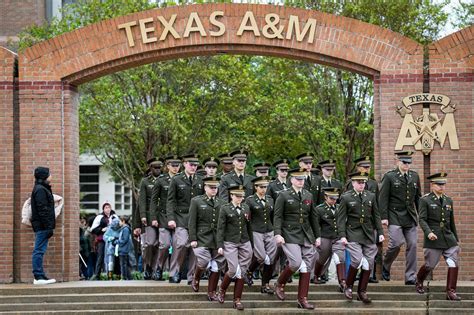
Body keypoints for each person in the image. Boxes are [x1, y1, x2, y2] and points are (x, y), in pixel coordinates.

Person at [273, 168, 318, 310]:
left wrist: (317, 236)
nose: (300, 181)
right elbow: (278, 216)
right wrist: (278, 233)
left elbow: (313, 217)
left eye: (302, 179)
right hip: (289, 234)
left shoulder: (308, 194)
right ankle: (280, 283)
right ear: (291, 180)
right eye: (298, 179)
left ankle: (302, 299)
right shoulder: (284, 195)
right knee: (295, 262)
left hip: (306, 234)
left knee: (307, 267)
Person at [337, 171, 384, 304]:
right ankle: (349, 286)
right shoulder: (346, 197)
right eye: (359, 182)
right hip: (353, 232)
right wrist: (342, 236)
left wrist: (380, 232)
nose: (362, 185)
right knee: (356, 260)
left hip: (368, 233)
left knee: (369, 263)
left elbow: (376, 215)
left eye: (363, 182)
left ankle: (362, 291)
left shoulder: (371, 196)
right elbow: (341, 219)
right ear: (353, 183)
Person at [415, 172, 461, 301]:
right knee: (430, 265)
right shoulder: (425, 200)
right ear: (432, 185)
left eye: (443, 184)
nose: (442, 187)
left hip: (448, 237)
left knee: (453, 263)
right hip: (433, 237)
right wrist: (428, 232)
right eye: (439, 184)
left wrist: (455, 239)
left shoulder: (448, 200)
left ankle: (451, 291)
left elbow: (451, 221)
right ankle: (419, 280)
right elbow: (422, 219)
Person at [379, 151, 421, 285]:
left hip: (410, 216)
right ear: (398, 161)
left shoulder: (414, 176)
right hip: (394, 215)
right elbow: (383, 198)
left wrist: (422, 215)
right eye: (404, 162)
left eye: (409, 162)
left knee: (413, 245)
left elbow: (418, 198)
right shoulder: (390, 176)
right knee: (396, 243)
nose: (407, 165)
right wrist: (384, 217)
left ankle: (410, 276)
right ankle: (386, 263)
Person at [167, 153, 204, 283]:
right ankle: (174, 272)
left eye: (195, 165)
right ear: (184, 164)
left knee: (195, 247)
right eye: (191, 164)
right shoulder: (176, 180)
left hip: (197, 219)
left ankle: (191, 276)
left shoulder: (200, 180)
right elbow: (170, 200)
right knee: (181, 244)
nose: (193, 167)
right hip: (181, 217)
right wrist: (171, 218)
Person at [188, 176, 226, 301]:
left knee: (216, 265)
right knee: (204, 261)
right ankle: (196, 278)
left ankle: (211, 292)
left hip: (217, 238)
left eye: (216, 187)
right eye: (211, 187)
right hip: (201, 237)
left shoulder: (222, 202)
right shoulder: (196, 201)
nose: (214, 189)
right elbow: (192, 221)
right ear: (205, 188)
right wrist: (193, 238)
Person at [216, 185, 253, 310]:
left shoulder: (246, 207)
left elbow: (249, 227)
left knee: (241, 272)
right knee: (232, 269)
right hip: (230, 242)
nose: (240, 199)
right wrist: (220, 245)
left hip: (244, 241)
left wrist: (251, 244)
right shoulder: (225, 209)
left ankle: (237, 299)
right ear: (231, 196)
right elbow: (220, 228)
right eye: (237, 196)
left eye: (242, 196)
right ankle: (222, 289)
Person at [345, 155, 381, 283]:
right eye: (365, 167)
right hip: (354, 225)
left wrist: (379, 225)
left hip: (369, 223)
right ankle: (352, 277)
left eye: (369, 167)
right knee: (356, 254)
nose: (367, 169)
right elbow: (348, 202)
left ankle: (370, 275)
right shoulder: (351, 183)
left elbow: (376, 203)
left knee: (371, 250)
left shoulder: (373, 183)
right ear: (358, 167)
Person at [149, 154, 181, 280]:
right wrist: (153, 217)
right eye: (173, 165)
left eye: (177, 165)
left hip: (178, 217)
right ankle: (159, 266)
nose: (175, 168)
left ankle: (173, 273)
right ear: (167, 166)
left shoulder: (181, 179)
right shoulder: (161, 180)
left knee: (177, 245)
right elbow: (153, 200)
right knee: (165, 245)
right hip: (163, 217)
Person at [245, 176, 277, 294]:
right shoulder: (250, 200)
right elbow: (247, 218)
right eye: (261, 187)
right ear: (256, 187)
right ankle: (249, 271)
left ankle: (265, 285)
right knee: (262, 257)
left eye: (265, 187)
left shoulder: (270, 199)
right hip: (256, 230)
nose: (264, 189)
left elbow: (273, 216)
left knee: (270, 258)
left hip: (269, 230)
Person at [313, 187, 346, 292]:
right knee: (322, 258)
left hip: (337, 237)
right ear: (325, 197)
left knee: (339, 257)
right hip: (325, 236)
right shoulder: (319, 209)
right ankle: (316, 275)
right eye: (332, 198)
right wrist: (317, 238)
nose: (334, 201)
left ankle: (342, 281)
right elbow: (316, 225)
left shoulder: (340, 207)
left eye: (336, 198)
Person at [31, 166, 56, 285]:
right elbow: (43, 209)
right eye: (49, 174)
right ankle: (38, 276)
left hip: (43, 226)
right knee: (39, 251)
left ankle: (40, 275)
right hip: (42, 226)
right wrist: (48, 226)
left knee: (39, 250)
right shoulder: (40, 189)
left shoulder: (42, 188)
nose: (51, 176)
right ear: (44, 176)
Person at [139, 157, 163, 280]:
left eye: (159, 167)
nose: (158, 170)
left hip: (163, 216)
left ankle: (156, 269)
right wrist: (143, 215)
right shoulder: (145, 181)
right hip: (149, 216)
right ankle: (148, 266)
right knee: (150, 243)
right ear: (150, 168)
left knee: (161, 244)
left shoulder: (165, 180)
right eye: (155, 167)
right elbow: (142, 200)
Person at [90, 201, 118, 280]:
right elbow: (93, 229)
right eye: (106, 207)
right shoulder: (99, 217)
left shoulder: (114, 216)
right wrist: (102, 229)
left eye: (109, 207)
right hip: (102, 240)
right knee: (100, 256)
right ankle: (97, 274)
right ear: (103, 209)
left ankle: (114, 274)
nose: (107, 209)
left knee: (114, 256)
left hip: (112, 240)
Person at [117, 215, 134, 280]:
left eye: (119, 221)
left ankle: (125, 277)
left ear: (123, 221)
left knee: (123, 264)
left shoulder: (125, 229)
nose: (119, 223)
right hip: (123, 249)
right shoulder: (124, 229)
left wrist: (117, 242)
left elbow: (125, 239)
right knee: (124, 264)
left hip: (124, 249)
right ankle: (128, 277)